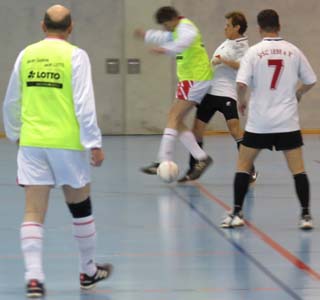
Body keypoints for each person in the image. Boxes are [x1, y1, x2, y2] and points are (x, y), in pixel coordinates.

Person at [3, 5, 113, 297]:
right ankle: (88, 271)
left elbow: (12, 100)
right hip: (67, 145)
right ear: (70, 27)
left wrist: (16, 134)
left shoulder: (26, 54)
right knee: (80, 208)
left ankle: (34, 279)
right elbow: (84, 104)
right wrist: (94, 143)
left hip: (33, 144)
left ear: (42, 26)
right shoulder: (76, 56)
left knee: (32, 212)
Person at [220, 9, 317, 230]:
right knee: (298, 170)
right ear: (279, 26)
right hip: (287, 122)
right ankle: (305, 216)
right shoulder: (293, 51)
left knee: (243, 166)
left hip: (260, 122)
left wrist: (241, 102)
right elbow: (311, 80)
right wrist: (299, 93)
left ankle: (236, 213)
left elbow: (241, 84)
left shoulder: (253, 52)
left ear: (259, 29)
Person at [135, 6, 213, 180]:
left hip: (195, 78)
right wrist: (147, 35)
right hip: (191, 79)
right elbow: (165, 36)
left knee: (173, 116)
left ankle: (163, 160)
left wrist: (167, 49)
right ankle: (201, 157)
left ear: (172, 20)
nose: (165, 28)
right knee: (176, 120)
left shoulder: (186, 27)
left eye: (165, 25)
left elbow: (186, 40)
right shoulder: (177, 29)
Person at [178, 11, 257, 183]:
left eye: (228, 25)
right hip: (211, 92)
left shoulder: (244, 47)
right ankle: (194, 168)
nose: (225, 28)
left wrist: (224, 61)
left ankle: (249, 168)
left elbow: (243, 67)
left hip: (227, 93)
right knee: (196, 130)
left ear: (237, 27)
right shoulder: (227, 42)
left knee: (235, 129)